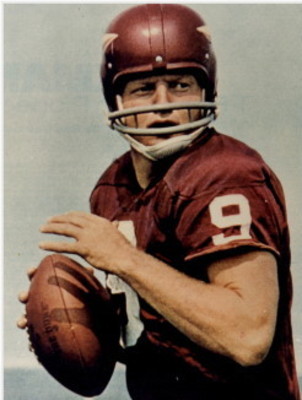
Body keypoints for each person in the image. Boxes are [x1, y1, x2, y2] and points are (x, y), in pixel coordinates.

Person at [18, 4, 300, 400]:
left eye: (181, 84)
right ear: (117, 100)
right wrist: (70, 325)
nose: (164, 103)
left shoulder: (225, 175)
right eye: (143, 88)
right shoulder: (112, 187)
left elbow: (247, 336)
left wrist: (123, 258)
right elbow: (157, 331)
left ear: (207, 90)